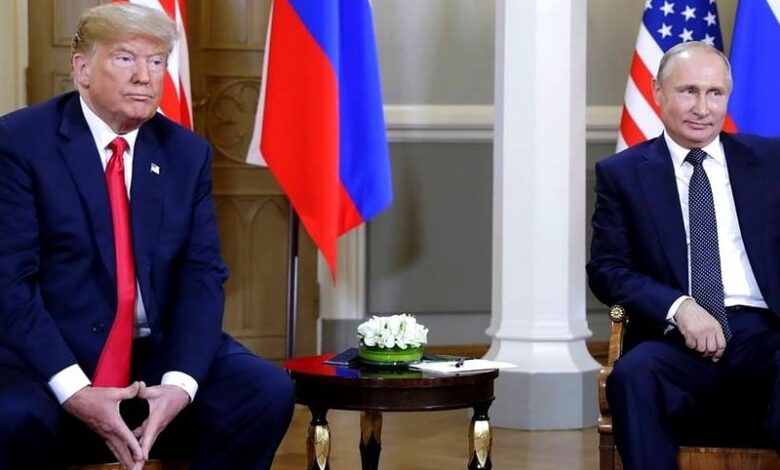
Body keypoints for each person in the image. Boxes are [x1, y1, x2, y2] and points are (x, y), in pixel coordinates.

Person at [0, 3, 294, 469]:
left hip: (153, 350)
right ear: (82, 69)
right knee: (11, 416)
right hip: (52, 352)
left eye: (157, 61)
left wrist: (178, 385)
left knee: (264, 391)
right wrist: (75, 389)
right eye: (125, 58)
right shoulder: (19, 143)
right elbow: (10, 284)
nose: (144, 76)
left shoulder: (185, 153)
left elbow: (202, 275)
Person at [587, 41, 780, 470]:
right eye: (688, 91)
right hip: (675, 340)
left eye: (715, 93)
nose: (702, 108)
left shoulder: (770, 162)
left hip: (766, 333)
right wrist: (680, 307)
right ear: (657, 92)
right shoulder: (622, 174)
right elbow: (607, 269)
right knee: (633, 376)